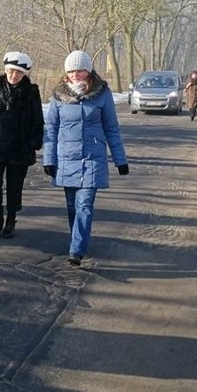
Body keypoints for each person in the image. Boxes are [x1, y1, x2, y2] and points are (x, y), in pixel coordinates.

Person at [43, 50, 129, 267]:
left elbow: (111, 128)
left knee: (84, 205)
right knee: (72, 206)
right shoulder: (58, 96)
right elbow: (51, 129)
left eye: (79, 70)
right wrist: (48, 159)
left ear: (88, 71)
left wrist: (120, 160)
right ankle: (78, 239)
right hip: (66, 160)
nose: (75, 74)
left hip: (92, 159)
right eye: (71, 70)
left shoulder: (102, 94)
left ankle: (76, 250)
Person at [0, 51, 44, 238]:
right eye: (10, 71)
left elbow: (38, 120)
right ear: (5, 69)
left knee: (15, 187)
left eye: (18, 72)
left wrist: (33, 142)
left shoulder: (31, 92)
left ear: (24, 74)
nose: (13, 75)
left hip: (19, 149)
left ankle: (11, 219)